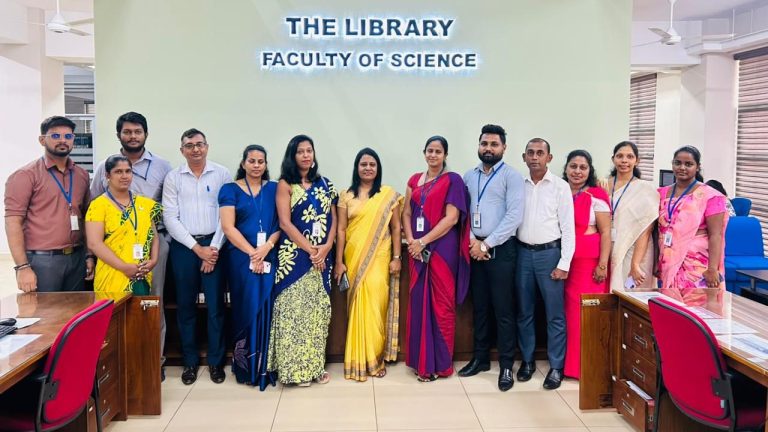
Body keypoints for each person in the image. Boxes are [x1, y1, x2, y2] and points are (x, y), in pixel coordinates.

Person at [91, 112, 173, 377]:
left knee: (151, 304)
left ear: (145, 134)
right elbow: (94, 226)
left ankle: (152, 363)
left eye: (137, 132)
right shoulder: (103, 173)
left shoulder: (162, 166)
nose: (133, 136)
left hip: (152, 248)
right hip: (113, 254)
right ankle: (113, 368)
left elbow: (162, 213)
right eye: (127, 132)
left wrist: (154, 254)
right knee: (113, 312)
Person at [457, 124, 524, 392]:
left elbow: (514, 217)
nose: (488, 148)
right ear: (478, 145)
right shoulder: (468, 176)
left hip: (501, 250)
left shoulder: (512, 177)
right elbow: (463, 211)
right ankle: (481, 358)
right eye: (485, 144)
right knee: (481, 308)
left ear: (504, 148)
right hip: (474, 248)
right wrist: (474, 241)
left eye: (494, 144)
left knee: (503, 310)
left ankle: (507, 364)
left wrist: (486, 245)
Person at [163, 129, 231, 385]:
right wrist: (196, 248)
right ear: (182, 150)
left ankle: (216, 362)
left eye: (199, 144)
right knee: (186, 308)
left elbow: (226, 215)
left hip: (216, 245)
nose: (195, 149)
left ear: (207, 147)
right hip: (184, 248)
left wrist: (211, 250)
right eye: (189, 145)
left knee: (216, 307)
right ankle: (189, 362)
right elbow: (170, 217)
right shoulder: (174, 178)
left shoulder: (222, 173)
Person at [268, 134, 338, 386]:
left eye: (310, 151)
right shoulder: (285, 184)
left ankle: (314, 367)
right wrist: (312, 250)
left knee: (317, 314)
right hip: (295, 258)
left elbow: (334, 221)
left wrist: (326, 247)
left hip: (322, 258)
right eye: (301, 151)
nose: (306, 155)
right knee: (292, 314)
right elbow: (285, 223)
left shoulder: (325, 184)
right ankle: (294, 371)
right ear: (292, 155)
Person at [402, 135, 470, 382]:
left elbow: (451, 218)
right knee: (420, 304)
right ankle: (421, 362)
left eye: (438, 151)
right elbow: (406, 212)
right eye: (429, 150)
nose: (433, 155)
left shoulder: (453, 180)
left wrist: (423, 241)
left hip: (442, 250)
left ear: (445, 155)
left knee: (441, 306)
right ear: (424, 153)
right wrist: (411, 241)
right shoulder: (413, 180)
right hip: (416, 252)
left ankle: (439, 365)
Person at [334, 148, 403, 382]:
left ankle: (375, 358)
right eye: (363, 164)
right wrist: (339, 262)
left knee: (375, 305)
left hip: (381, 256)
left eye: (372, 164)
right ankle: (357, 359)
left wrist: (396, 257)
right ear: (357, 167)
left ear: (378, 168)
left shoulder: (387, 194)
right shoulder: (345, 195)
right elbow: (341, 230)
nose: (368, 168)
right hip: (353, 257)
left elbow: (396, 228)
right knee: (357, 306)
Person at [4, 116, 93, 292]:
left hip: (77, 257)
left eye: (68, 136)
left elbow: (86, 218)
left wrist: (89, 255)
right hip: (43, 261)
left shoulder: (81, 175)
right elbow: (13, 222)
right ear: (42, 140)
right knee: (45, 316)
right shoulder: (25, 176)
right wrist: (22, 267)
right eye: (55, 136)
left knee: (75, 315)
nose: (62, 140)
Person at [515, 138, 575, 390]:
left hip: (550, 255)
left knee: (554, 315)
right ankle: (527, 361)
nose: (535, 157)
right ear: (524, 157)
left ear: (549, 158)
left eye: (540, 153)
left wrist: (564, 263)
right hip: (522, 255)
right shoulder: (518, 185)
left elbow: (568, 229)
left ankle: (556, 366)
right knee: (524, 312)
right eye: (530, 153)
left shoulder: (561, 187)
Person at [219, 145, 280, 390]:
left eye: (261, 161)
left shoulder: (275, 189)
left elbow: (281, 223)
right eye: (252, 161)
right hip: (240, 259)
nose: (256, 165)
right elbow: (228, 227)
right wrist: (252, 252)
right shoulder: (230, 189)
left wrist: (266, 247)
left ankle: (266, 365)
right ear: (243, 163)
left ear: (266, 165)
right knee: (246, 306)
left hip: (269, 255)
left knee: (267, 307)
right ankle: (246, 368)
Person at [562, 150, 611, 379]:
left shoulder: (596, 195)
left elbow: (606, 231)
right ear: (566, 168)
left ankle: (586, 367)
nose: (577, 171)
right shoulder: (559, 191)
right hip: (563, 262)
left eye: (583, 167)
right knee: (566, 316)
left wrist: (602, 264)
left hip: (589, 265)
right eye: (573, 166)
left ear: (590, 171)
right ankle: (567, 366)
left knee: (586, 316)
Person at [658, 146, 729, 303]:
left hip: (697, 265)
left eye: (688, 164)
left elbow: (716, 235)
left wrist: (712, 269)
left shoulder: (711, 196)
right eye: (678, 163)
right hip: (669, 261)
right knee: (671, 310)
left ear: (697, 167)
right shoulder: (661, 193)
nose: (682, 168)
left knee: (696, 312)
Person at [85, 155, 162, 293]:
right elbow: (94, 243)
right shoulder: (98, 205)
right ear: (108, 175)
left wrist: (154, 260)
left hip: (141, 274)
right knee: (114, 314)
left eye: (128, 171)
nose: (124, 176)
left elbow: (153, 235)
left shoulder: (144, 204)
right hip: (112, 275)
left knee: (141, 314)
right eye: (118, 172)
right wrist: (124, 267)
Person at [602, 141, 659, 291]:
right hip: (608, 247)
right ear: (613, 159)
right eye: (620, 156)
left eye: (629, 156)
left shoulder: (646, 190)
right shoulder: (602, 185)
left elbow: (645, 230)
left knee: (630, 295)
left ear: (637, 160)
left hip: (635, 251)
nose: (624, 161)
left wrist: (635, 264)